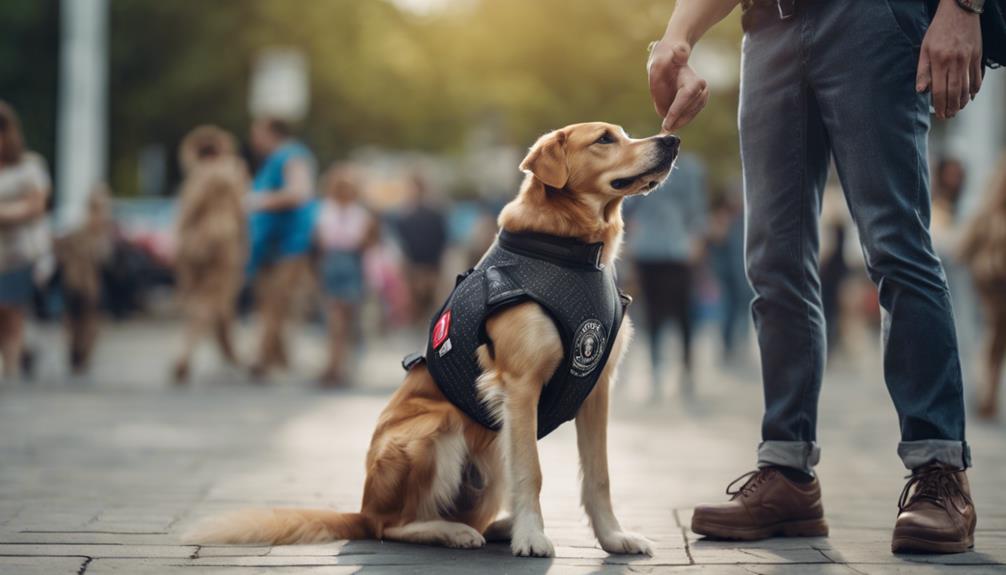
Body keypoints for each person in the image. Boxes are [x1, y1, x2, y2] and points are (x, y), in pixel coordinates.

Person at [649, 0, 983, 554]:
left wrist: (962, 8)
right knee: (772, 263)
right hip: (768, 28)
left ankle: (940, 472)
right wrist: (676, 36)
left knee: (894, 244)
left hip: (873, 18)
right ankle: (787, 473)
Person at [625, 153, 707, 397]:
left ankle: (683, 370)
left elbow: (697, 211)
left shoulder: (688, 168)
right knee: (657, 314)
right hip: (656, 252)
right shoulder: (641, 165)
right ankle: (660, 370)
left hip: (673, 252)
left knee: (678, 315)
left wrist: (696, 242)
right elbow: (626, 206)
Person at [246, 117, 318, 378]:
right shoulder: (280, 157)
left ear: (271, 132)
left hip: (288, 245)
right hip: (274, 245)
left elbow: (300, 192)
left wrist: (258, 201)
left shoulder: (292, 156)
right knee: (270, 301)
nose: (253, 139)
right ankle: (279, 359)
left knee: (275, 302)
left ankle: (261, 360)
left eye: (257, 133)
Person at [0, 101, 52, 381]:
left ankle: (11, 371)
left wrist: (4, 213)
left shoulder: (29, 167)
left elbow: (36, 206)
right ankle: (23, 352)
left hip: (17, 254)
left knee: (10, 312)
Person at [315, 164, 378, 387]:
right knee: (342, 318)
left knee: (339, 318)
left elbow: (320, 240)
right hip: (345, 261)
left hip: (339, 261)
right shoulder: (358, 213)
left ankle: (336, 364)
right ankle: (337, 364)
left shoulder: (326, 211)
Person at [960, 154, 1006, 420]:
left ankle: (988, 396)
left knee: (993, 346)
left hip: (989, 290)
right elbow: (962, 250)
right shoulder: (988, 216)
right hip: (989, 293)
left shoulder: (987, 215)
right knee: (990, 344)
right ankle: (986, 396)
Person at [55, 183, 114, 375]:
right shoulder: (86, 231)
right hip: (80, 282)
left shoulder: (95, 231)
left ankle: (81, 354)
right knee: (82, 321)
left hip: (84, 283)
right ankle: (78, 353)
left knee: (85, 321)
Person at [393, 172, 448, 325]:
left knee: (429, 297)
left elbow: (441, 239)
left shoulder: (434, 212)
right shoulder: (404, 214)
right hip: (414, 263)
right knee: (416, 297)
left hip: (429, 263)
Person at [706, 188, 751, 363]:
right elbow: (714, 243)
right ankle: (727, 345)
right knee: (728, 309)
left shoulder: (744, 218)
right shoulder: (720, 218)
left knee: (742, 307)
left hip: (742, 271)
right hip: (726, 273)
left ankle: (740, 344)